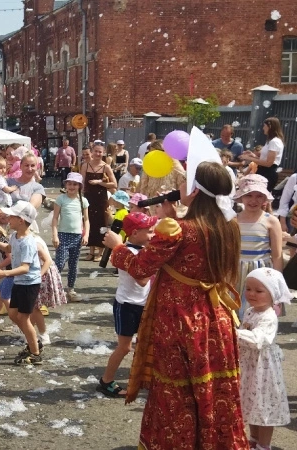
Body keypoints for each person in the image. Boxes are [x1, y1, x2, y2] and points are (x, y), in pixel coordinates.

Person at [103, 160, 247, 449]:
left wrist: (117, 247)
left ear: (194, 189)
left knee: (175, 394)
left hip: (180, 321)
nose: (178, 184)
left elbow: (141, 267)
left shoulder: (177, 229)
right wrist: (171, 214)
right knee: (213, 389)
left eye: (184, 180)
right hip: (216, 318)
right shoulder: (229, 226)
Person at [96, 212, 156, 398]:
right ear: (136, 233)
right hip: (127, 305)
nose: (153, 235)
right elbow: (143, 279)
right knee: (124, 347)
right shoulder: (126, 252)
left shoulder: (139, 250)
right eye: (150, 231)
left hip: (143, 304)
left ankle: (143, 378)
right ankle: (106, 381)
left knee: (147, 344)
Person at [238, 268, 291, 450]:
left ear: (272, 294)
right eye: (248, 288)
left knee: (264, 406)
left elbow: (258, 339)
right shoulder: (250, 310)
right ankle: (252, 440)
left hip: (264, 368)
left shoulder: (269, 316)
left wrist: (232, 332)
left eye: (259, 291)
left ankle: (263, 445)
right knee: (252, 404)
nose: (251, 294)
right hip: (250, 365)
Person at [0, 201, 42, 365]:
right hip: (20, 282)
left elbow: (25, 268)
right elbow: (9, 249)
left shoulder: (28, 242)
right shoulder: (15, 236)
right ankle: (33, 340)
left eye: (11, 216)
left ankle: (35, 352)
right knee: (13, 315)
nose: (8, 218)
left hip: (29, 283)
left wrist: (4, 273)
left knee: (24, 319)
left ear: (21, 220)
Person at [235, 175, 282, 317]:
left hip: (261, 271)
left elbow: (277, 255)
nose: (253, 200)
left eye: (259, 196)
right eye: (249, 195)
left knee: (260, 310)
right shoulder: (233, 220)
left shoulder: (271, 221)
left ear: (264, 199)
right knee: (238, 309)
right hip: (238, 270)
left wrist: (277, 280)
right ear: (241, 197)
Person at [52, 173, 89, 302]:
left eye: (75, 184)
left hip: (77, 236)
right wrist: (55, 235)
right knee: (59, 263)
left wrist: (86, 234)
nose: (72, 186)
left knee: (73, 265)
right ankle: (53, 288)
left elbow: (87, 220)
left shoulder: (82, 200)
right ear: (65, 185)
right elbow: (55, 218)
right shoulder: (61, 199)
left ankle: (71, 289)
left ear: (79, 186)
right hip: (63, 235)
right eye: (69, 183)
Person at [80, 143, 116, 261]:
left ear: (104, 153)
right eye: (96, 151)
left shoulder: (106, 167)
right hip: (89, 197)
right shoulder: (85, 165)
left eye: (100, 152)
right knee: (89, 222)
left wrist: (99, 182)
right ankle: (91, 251)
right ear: (92, 152)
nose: (98, 154)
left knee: (102, 223)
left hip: (101, 199)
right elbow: (81, 182)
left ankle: (100, 252)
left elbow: (114, 184)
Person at [242, 117, 284, 193]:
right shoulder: (270, 141)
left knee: (261, 198)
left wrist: (249, 158)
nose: (263, 128)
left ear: (270, 127)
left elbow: (269, 163)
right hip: (263, 171)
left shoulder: (274, 142)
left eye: (264, 126)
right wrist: (253, 156)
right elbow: (265, 159)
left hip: (268, 173)